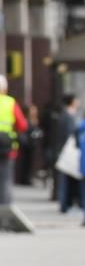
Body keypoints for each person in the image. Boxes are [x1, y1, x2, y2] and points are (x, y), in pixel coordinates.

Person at [0, 74, 28, 205]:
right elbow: (23, 125)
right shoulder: (10, 102)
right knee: (6, 179)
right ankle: (4, 208)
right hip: (7, 147)